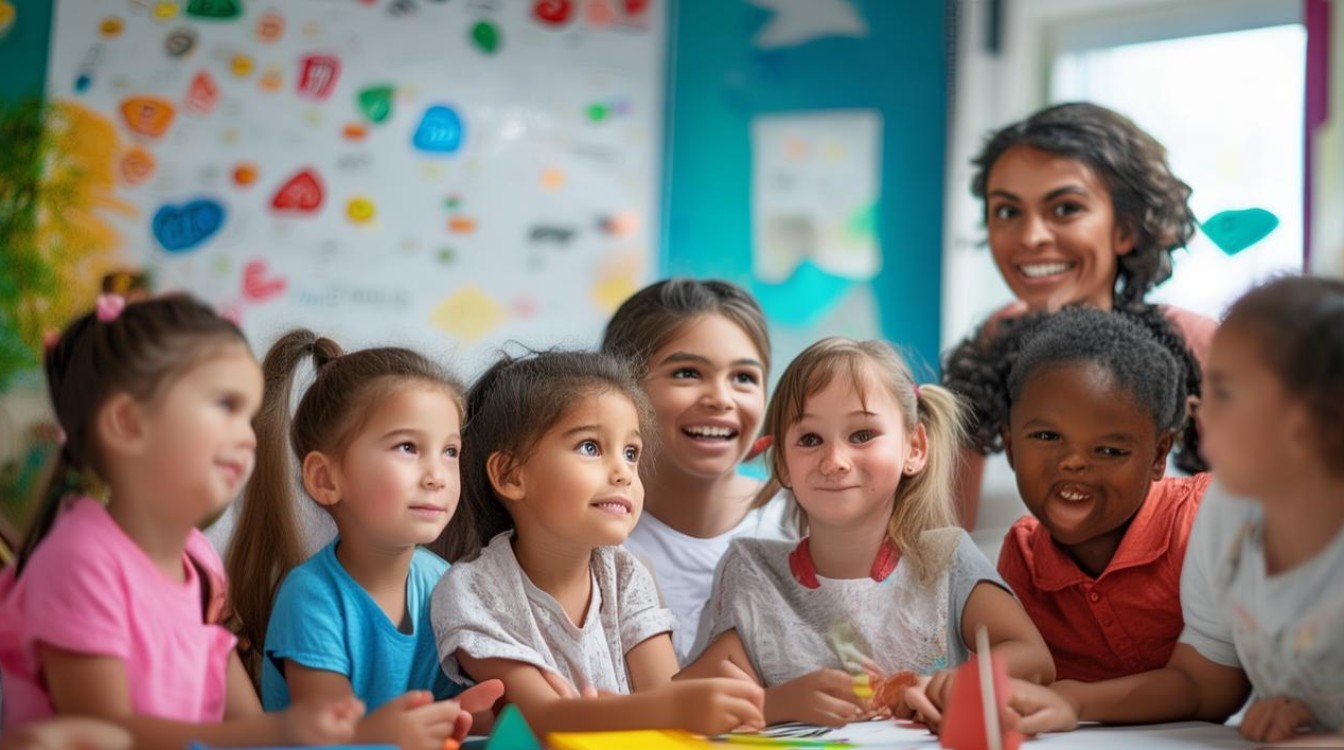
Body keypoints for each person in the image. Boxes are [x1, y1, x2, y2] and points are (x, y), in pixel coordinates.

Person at [0, 294, 361, 748]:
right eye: (225, 406)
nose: (247, 439)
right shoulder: (78, 561)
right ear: (128, 423)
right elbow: (101, 733)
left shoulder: (198, 558)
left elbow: (245, 728)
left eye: (248, 417)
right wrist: (279, 728)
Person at [1006, 276, 1344, 744]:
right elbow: (1204, 683)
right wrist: (1074, 701)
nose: (1199, 409)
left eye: (1224, 391)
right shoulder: (1226, 514)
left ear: (1316, 416)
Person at [685, 338, 1053, 726]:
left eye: (862, 435)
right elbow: (683, 700)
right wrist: (774, 703)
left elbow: (1034, 659)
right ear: (783, 464)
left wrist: (945, 686)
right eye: (810, 439)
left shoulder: (946, 557)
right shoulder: (754, 573)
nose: (835, 461)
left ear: (914, 448)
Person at [433, 349, 765, 735]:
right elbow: (539, 718)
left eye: (631, 453)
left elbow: (662, 693)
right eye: (590, 447)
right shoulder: (473, 590)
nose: (623, 472)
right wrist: (671, 706)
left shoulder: (624, 573)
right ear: (510, 474)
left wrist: (708, 692)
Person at [228, 330, 502, 750]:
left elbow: (454, 714)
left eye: (450, 451)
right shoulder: (312, 597)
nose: (436, 475)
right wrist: (404, 734)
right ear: (325, 478)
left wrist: (475, 713)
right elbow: (326, 736)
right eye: (408, 447)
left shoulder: (443, 582)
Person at [601, 279, 791, 662]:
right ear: (623, 390)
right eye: (687, 373)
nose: (721, 399)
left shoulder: (801, 521)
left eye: (744, 378)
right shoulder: (589, 537)